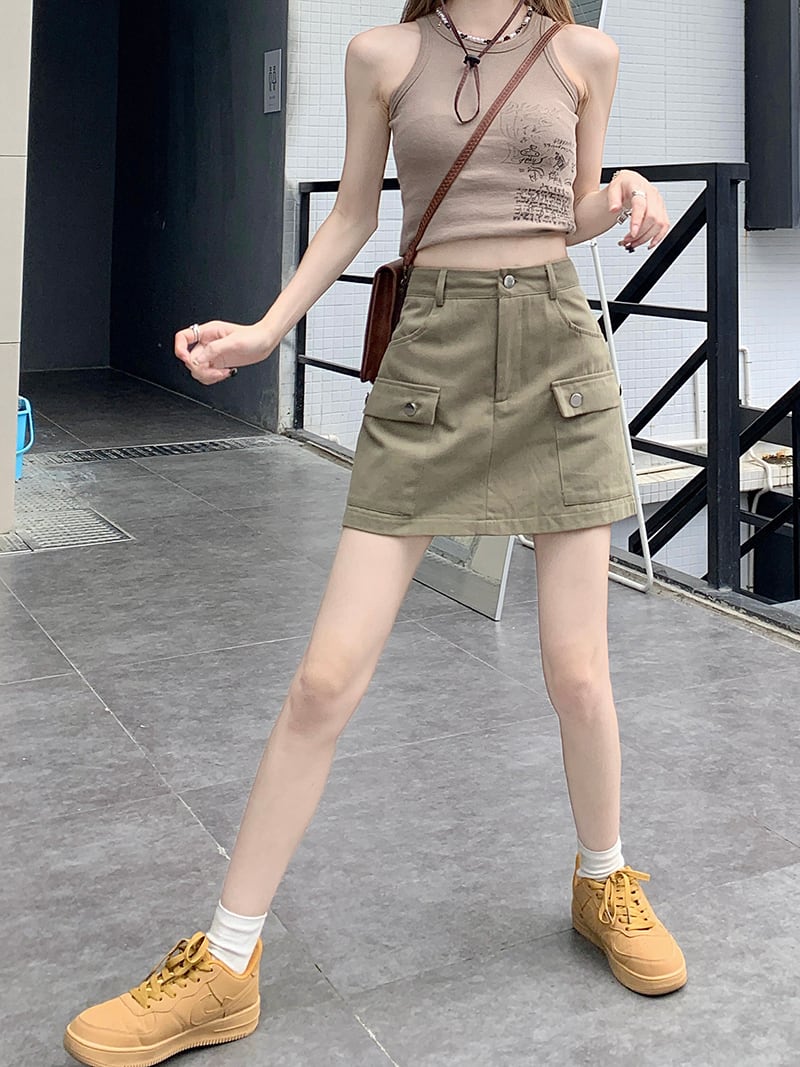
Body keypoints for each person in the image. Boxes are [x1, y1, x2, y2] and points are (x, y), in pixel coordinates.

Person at [64, 1, 686, 1063]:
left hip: (557, 361)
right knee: (323, 680)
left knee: (578, 669)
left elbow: (563, 212)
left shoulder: (585, 52)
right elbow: (355, 214)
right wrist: (267, 329)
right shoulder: (381, 53)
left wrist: (622, 191)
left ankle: (603, 878)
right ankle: (225, 960)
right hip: (430, 360)